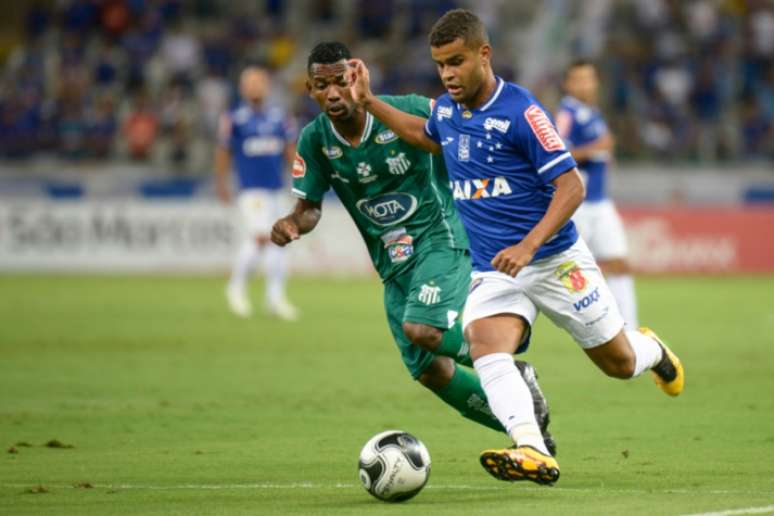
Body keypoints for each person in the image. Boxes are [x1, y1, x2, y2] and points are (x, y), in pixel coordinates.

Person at [349, 8, 684, 486]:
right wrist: (368, 102)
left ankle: (652, 348)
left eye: (456, 62)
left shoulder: (522, 111)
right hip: (496, 269)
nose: (448, 74)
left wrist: (528, 247)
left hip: (554, 260)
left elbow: (571, 186)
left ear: (484, 55)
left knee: (620, 364)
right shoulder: (446, 110)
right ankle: (531, 447)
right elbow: (423, 136)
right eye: (440, 64)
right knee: (486, 346)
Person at [271, 41, 556, 453]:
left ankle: (503, 364)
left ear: (357, 77)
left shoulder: (405, 110)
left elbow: (461, 126)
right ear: (309, 89)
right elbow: (309, 209)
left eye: (340, 82)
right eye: (321, 86)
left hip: (439, 240)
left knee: (423, 329)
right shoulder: (314, 141)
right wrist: (292, 223)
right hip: (392, 266)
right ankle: (523, 427)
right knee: (429, 370)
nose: (333, 94)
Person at [556, 60, 638, 329]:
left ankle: (629, 330)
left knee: (619, 264)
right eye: (578, 79)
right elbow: (559, 155)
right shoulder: (567, 113)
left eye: (589, 78)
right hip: (578, 205)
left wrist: (603, 153)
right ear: (568, 84)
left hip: (600, 202)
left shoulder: (592, 112)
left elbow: (601, 150)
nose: (585, 84)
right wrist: (596, 148)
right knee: (569, 270)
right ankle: (587, 325)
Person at [215, 66, 298, 320]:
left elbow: (290, 151)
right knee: (261, 237)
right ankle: (236, 286)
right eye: (250, 82)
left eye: (259, 82)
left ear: (267, 86)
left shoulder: (279, 116)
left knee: (280, 242)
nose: (255, 87)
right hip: (251, 191)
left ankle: (275, 298)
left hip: (276, 189)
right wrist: (222, 182)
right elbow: (223, 152)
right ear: (242, 87)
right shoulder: (234, 118)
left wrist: (300, 181)